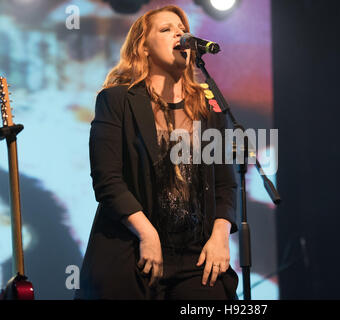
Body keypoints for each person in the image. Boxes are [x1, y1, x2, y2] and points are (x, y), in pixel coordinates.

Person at [74, 5, 239, 300]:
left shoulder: (208, 107)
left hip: (195, 255)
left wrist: (220, 237)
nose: (179, 34)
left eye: (181, 28)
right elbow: (107, 180)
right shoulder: (116, 100)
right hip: (133, 247)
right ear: (144, 47)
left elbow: (225, 185)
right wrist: (147, 234)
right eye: (166, 30)